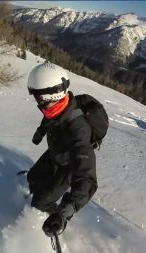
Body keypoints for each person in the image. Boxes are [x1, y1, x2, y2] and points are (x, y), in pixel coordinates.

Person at [26, 62, 98, 237]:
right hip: (55, 153)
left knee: (40, 203)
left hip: (68, 167)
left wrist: (63, 214)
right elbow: (50, 120)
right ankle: (44, 197)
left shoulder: (78, 130)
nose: (37, 103)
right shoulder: (56, 107)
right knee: (32, 178)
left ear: (52, 96)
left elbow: (87, 179)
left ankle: (54, 217)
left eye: (39, 98)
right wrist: (40, 132)